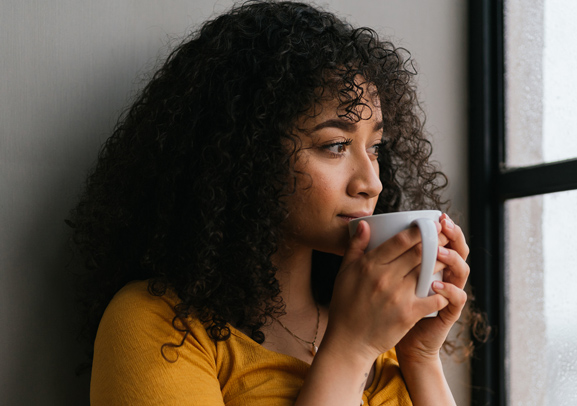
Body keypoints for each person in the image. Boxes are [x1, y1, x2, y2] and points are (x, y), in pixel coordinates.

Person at [68, 1, 485, 405]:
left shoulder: (379, 325)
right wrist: (351, 348)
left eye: (375, 147)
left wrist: (420, 356)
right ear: (243, 155)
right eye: (336, 145)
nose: (371, 182)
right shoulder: (156, 323)